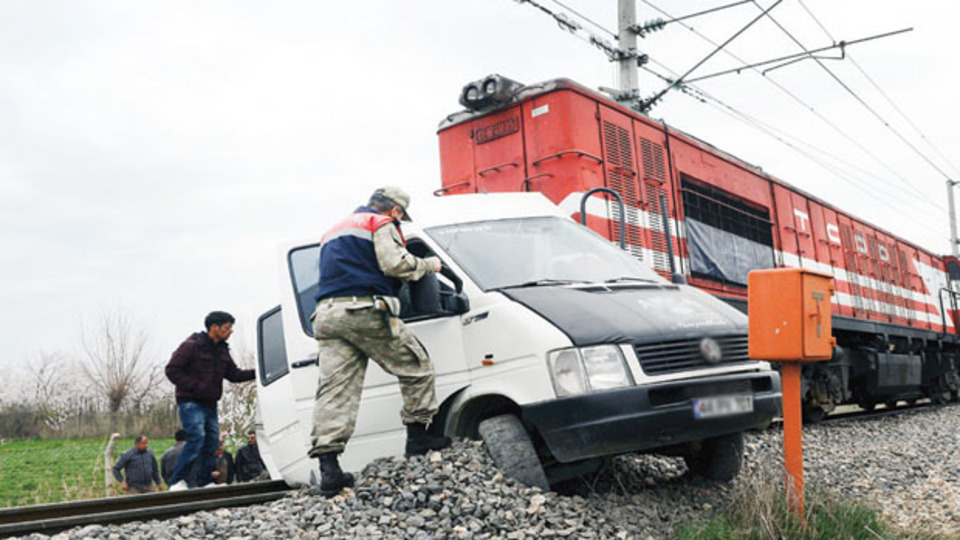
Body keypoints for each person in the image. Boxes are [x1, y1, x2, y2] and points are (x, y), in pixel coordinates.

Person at [309, 186, 452, 498]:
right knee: (417, 365)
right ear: (396, 211)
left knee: (335, 390)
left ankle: (329, 470)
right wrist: (430, 266)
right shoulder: (380, 223)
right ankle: (418, 440)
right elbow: (395, 265)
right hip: (365, 310)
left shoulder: (333, 231)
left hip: (327, 315)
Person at [164, 311, 255, 491]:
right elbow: (172, 370)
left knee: (212, 442)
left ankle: (205, 481)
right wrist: (195, 387)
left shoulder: (222, 350)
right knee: (197, 437)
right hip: (190, 402)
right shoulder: (191, 346)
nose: (231, 332)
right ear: (215, 327)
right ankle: (178, 481)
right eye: (227, 328)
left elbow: (234, 375)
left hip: (210, 404)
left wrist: (258, 372)